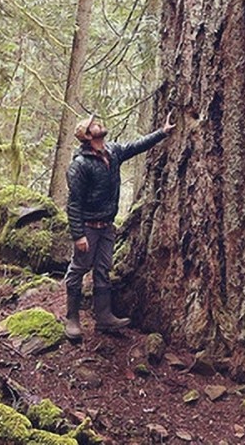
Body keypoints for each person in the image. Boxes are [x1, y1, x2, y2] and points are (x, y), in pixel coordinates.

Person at [63, 109, 175, 340]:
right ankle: (72, 318)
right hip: (87, 227)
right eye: (93, 125)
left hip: (106, 227)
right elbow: (73, 203)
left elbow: (136, 146)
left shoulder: (112, 152)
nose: (99, 125)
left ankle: (104, 317)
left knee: (103, 270)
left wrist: (162, 133)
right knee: (79, 269)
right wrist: (78, 235)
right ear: (86, 135)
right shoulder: (80, 165)